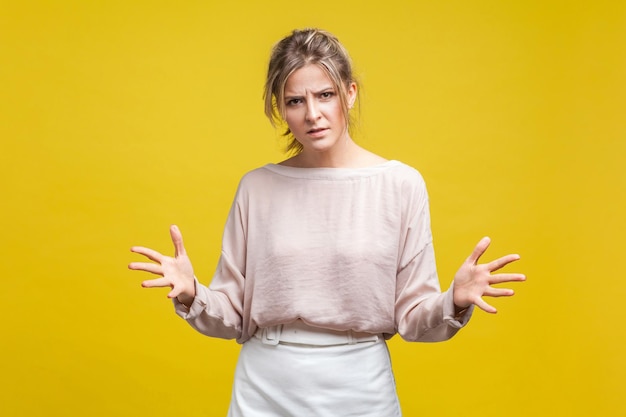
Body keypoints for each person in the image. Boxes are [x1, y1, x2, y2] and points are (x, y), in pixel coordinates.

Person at [128, 28, 525, 417]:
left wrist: (452, 301)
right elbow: (231, 314)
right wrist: (190, 292)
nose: (312, 114)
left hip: (359, 385)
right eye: (295, 100)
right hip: (267, 385)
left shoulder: (400, 185)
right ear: (280, 108)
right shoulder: (257, 187)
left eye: (325, 95)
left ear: (349, 93)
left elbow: (413, 319)